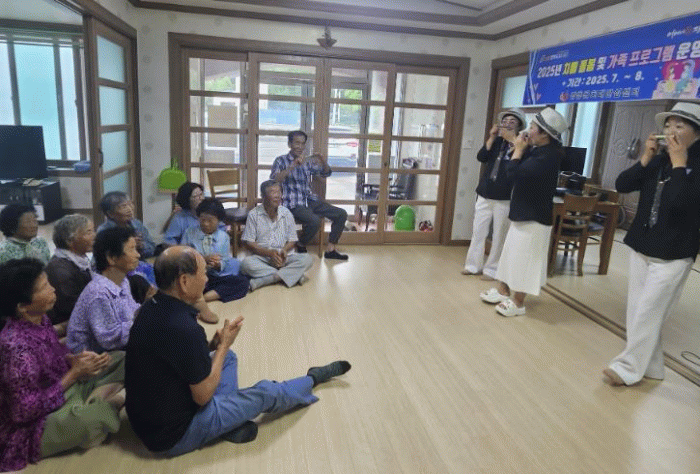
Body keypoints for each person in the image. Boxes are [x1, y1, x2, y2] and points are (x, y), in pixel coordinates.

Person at [124, 246, 351, 456]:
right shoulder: (183, 328)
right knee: (265, 392)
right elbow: (202, 396)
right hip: (174, 435)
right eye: (203, 273)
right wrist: (223, 346)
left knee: (228, 358)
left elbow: (175, 357)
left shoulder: (151, 307)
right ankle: (312, 379)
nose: (206, 279)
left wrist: (213, 347)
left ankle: (229, 422)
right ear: (184, 281)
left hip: (147, 422)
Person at [603, 102, 700, 386]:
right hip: (642, 245)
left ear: (697, 133)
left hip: (674, 253)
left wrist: (680, 163)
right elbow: (622, 184)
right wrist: (646, 157)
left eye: (679, 126)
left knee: (648, 313)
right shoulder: (658, 161)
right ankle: (653, 366)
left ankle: (627, 368)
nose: (671, 131)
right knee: (637, 311)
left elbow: (679, 203)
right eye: (668, 125)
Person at [0, 258, 125, 472]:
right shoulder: (15, 348)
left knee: (120, 358)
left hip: (62, 389)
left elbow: (53, 354)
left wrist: (73, 360)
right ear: (22, 307)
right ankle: (107, 402)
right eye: (44, 287)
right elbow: (24, 412)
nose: (53, 289)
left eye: (48, 282)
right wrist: (74, 374)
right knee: (91, 420)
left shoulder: (40, 318)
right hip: (32, 424)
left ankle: (92, 402)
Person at [480, 107, 568, 317]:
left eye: (533, 127)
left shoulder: (549, 156)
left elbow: (514, 175)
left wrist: (518, 151)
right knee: (510, 255)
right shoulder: (538, 150)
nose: (528, 131)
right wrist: (519, 146)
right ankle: (503, 290)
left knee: (525, 261)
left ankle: (518, 302)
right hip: (522, 212)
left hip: (534, 217)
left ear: (545, 134)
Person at [463, 108, 526, 280]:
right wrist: (491, 137)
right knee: (478, 231)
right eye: (504, 121)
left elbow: (519, 167)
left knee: (499, 235)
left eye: (512, 122)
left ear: (519, 126)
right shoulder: (497, 141)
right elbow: (481, 157)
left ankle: (492, 270)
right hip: (485, 193)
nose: (507, 124)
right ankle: (472, 266)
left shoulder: (521, 145)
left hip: (504, 197)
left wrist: (513, 141)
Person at [271, 130, 349, 260]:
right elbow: (275, 179)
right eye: (297, 143)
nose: (300, 146)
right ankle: (301, 243)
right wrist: (292, 166)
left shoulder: (307, 161)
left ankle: (330, 250)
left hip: (310, 200)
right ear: (289, 144)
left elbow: (326, 173)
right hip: (293, 203)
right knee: (315, 221)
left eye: (303, 144)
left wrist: (323, 161)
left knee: (341, 214)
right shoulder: (281, 160)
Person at [66, 227, 142, 354]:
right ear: (111, 258)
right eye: (131, 249)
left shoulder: (123, 282)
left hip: (116, 349)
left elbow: (132, 313)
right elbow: (109, 340)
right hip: (94, 358)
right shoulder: (99, 293)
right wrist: (141, 318)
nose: (138, 254)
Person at [241, 180, 313, 290]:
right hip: (263, 257)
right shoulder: (254, 214)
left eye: (279, 192)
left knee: (307, 259)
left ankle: (269, 279)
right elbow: (249, 243)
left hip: (284, 257)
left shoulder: (286, 213)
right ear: (263, 196)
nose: (277, 196)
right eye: (273, 192)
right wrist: (270, 254)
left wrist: (284, 251)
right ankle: (293, 275)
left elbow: (292, 240)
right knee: (246, 264)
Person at [181, 197, 250, 304]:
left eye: (210, 220)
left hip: (214, 277)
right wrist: (203, 259)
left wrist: (218, 265)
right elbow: (182, 257)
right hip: (195, 276)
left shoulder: (223, 237)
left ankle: (201, 299)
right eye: (202, 219)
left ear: (219, 221)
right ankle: (200, 296)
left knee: (243, 282)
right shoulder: (189, 233)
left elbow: (224, 260)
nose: (206, 223)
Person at [45, 214, 96, 337]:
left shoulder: (79, 259)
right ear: (69, 240)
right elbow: (73, 308)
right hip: (68, 326)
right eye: (88, 232)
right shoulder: (60, 270)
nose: (94, 236)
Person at [96, 191, 157, 260]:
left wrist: (141, 246)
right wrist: (127, 246)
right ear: (110, 214)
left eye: (130, 204)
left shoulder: (137, 224)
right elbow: (104, 257)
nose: (130, 209)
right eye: (124, 206)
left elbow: (152, 248)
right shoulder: (104, 231)